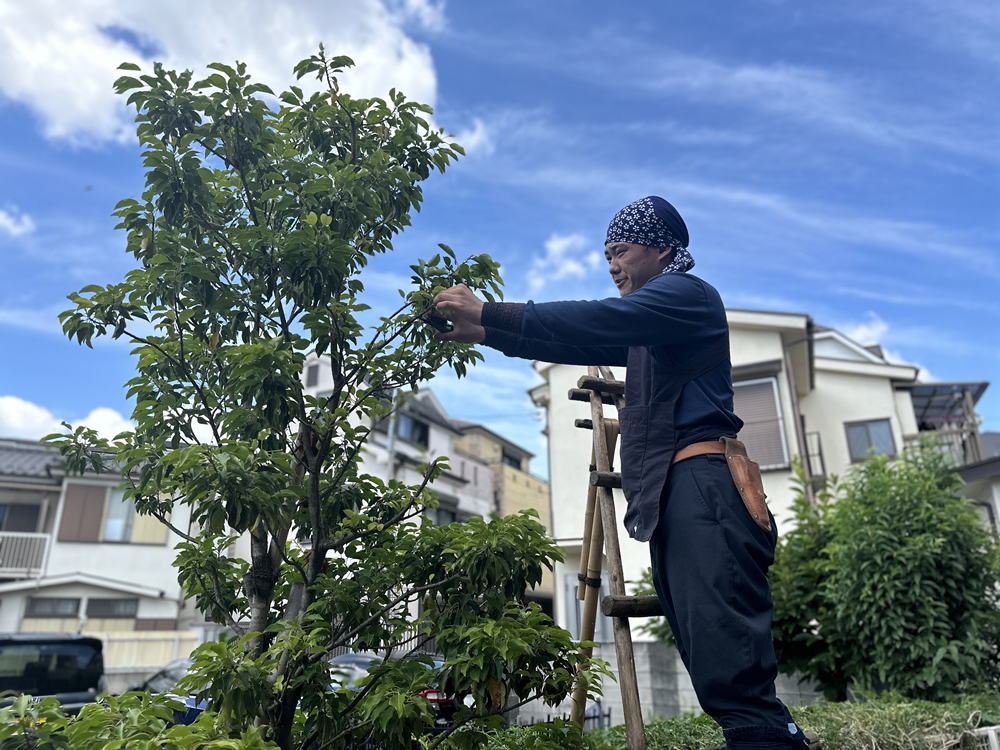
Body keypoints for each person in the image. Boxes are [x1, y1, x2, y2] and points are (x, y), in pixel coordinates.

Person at [433, 196, 811, 750]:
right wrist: (487, 334)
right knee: (710, 649)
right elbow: (578, 338)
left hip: (705, 482)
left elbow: (604, 317)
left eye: (621, 250)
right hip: (681, 490)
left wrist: (491, 310)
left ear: (663, 249)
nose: (612, 265)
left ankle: (774, 740)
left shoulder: (687, 295)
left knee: (728, 653)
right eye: (606, 254)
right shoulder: (656, 324)